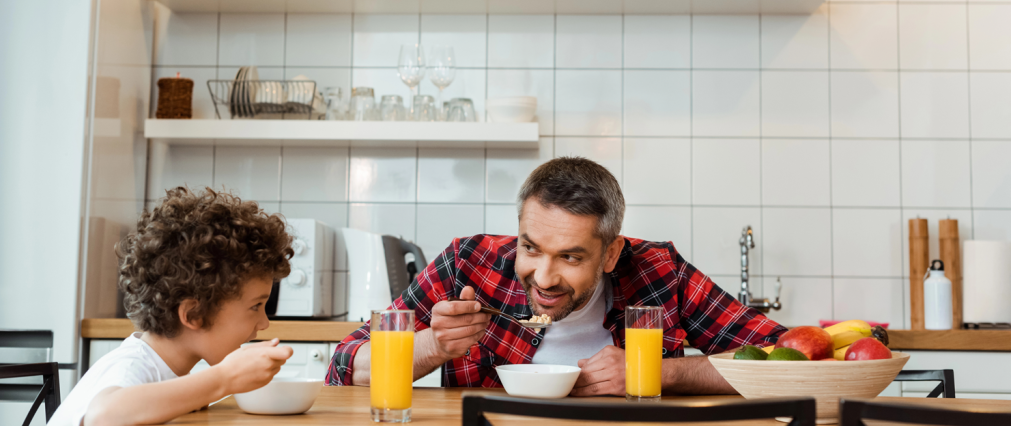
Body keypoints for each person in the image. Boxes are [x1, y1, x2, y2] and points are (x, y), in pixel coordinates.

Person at [328, 157, 787, 396]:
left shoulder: (659, 273)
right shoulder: (469, 263)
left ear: (611, 253)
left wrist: (656, 372)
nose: (543, 277)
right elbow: (343, 366)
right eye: (530, 248)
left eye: (570, 257)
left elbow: (782, 362)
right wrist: (434, 345)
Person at [49, 188, 296, 426]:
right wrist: (224, 378)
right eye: (256, 306)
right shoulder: (133, 365)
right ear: (193, 314)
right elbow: (103, 417)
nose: (264, 323)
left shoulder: (168, 372)